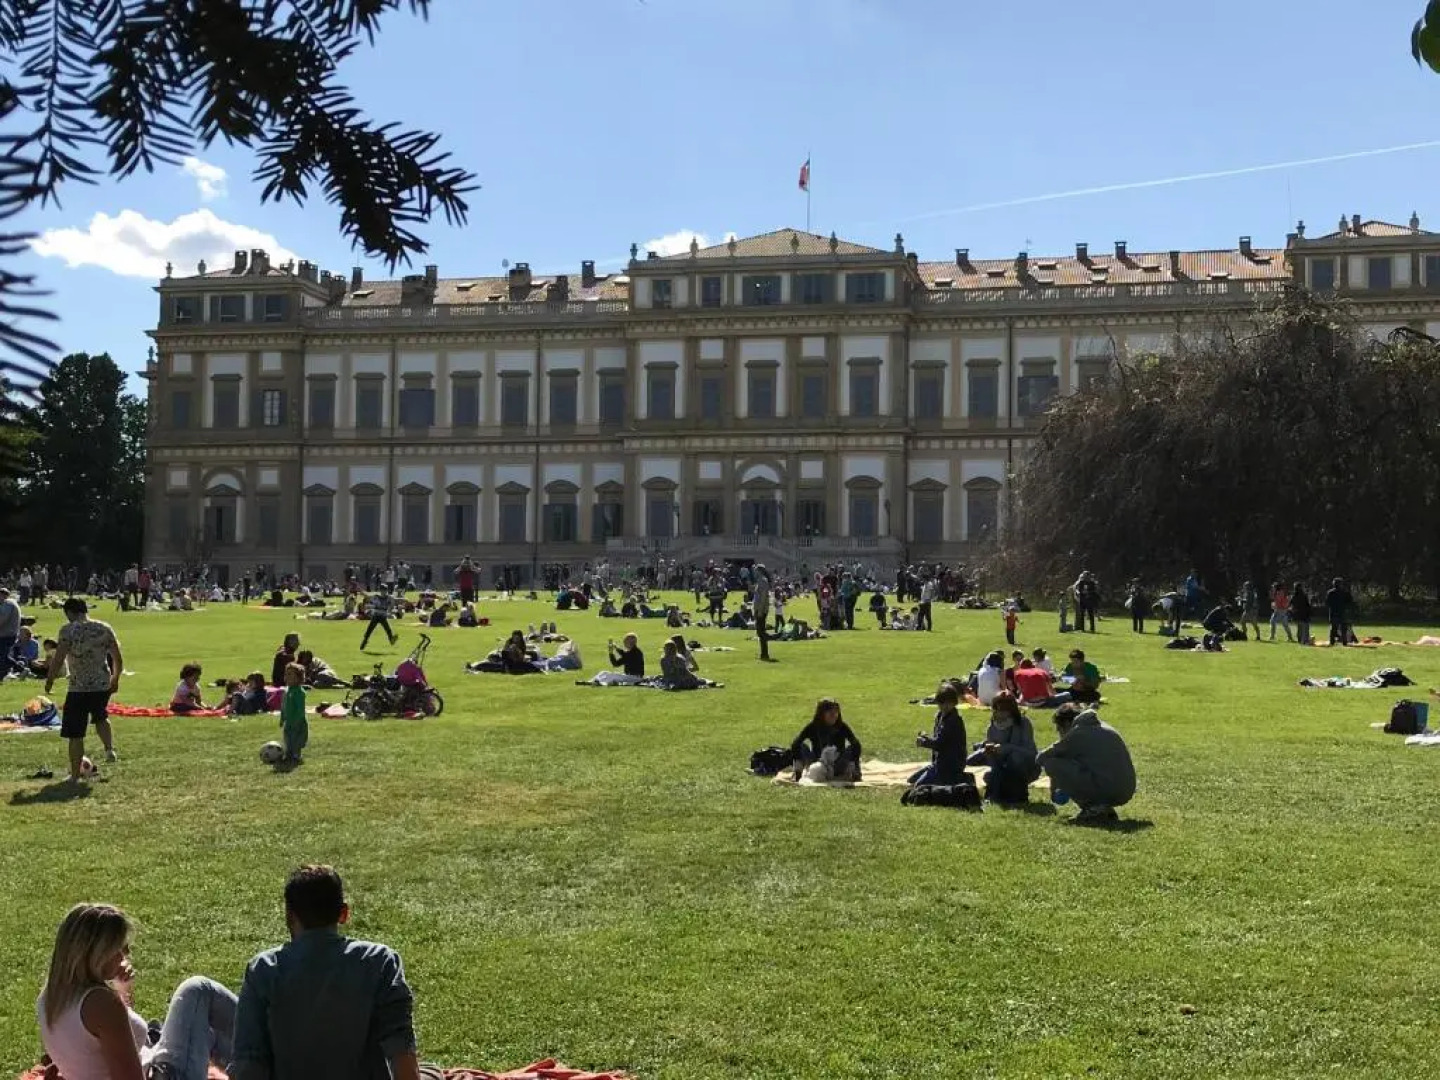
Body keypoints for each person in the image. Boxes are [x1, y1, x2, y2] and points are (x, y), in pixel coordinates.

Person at [229, 865, 420, 1080]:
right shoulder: (380, 962)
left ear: (289, 916)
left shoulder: (264, 970)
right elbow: (401, 1052)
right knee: (431, 1071)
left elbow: (249, 1063)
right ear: (343, 913)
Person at [38, 902, 237, 1080]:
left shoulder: (49, 997)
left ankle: (252, 1061)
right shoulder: (100, 1004)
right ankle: (255, 1049)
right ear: (98, 954)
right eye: (120, 947)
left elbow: (103, 1048)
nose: (126, 954)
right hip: (158, 1073)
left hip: (150, 1061)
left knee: (206, 1030)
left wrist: (122, 990)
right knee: (198, 990)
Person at [47, 599, 122, 784]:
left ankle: (74, 775)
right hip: (101, 684)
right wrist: (115, 679)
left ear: (69, 612)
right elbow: (117, 658)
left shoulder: (68, 630)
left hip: (78, 687)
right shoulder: (104, 628)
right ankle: (109, 749)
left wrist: (50, 680)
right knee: (100, 716)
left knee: (75, 733)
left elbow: (58, 658)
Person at [1036, 704, 1136, 823]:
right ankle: (1103, 808)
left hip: (1109, 789)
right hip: (1125, 790)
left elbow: (1042, 758)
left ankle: (1094, 809)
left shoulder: (1079, 732)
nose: (1060, 734)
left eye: (1059, 729)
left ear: (1066, 723)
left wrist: (1054, 789)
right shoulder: (1101, 726)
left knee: (1051, 764)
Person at [967, 691, 1041, 804]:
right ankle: (995, 796)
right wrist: (990, 752)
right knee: (990, 775)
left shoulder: (1024, 724)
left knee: (1015, 757)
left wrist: (1008, 748)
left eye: (1003, 710)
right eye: (996, 709)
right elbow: (994, 762)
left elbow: (1031, 753)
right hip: (1000, 767)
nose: (999, 713)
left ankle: (1013, 791)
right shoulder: (992, 728)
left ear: (1012, 711)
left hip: (1025, 767)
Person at [789, 698, 862, 782]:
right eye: (830, 713)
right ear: (821, 714)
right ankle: (797, 772)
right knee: (801, 746)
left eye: (836, 712)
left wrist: (854, 764)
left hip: (837, 765)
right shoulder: (813, 726)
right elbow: (796, 744)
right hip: (817, 765)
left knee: (853, 747)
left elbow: (856, 745)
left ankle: (855, 772)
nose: (834, 715)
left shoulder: (842, 726)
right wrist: (800, 764)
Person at [910, 683, 966, 787]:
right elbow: (938, 739)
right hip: (939, 763)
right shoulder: (940, 716)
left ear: (954, 703)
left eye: (949, 703)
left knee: (919, 786)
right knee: (911, 780)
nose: (945, 706)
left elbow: (939, 744)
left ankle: (956, 778)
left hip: (950, 765)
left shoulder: (953, 720)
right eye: (943, 703)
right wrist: (925, 738)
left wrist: (924, 742)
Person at [280, 663, 308, 765]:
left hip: (298, 721)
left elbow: (301, 709)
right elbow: (284, 706)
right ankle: (288, 753)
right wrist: (282, 718)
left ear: (299, 678)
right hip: (288, 721)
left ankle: (296, 755)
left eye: (290, 674)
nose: (287, 677)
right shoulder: (287, 691)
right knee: (287, 739)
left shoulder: (299, 692)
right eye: (286, 674)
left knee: (296, 740)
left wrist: (298, 719)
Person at [752, 564, 773, 661]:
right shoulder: (759, 581)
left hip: (762, 610)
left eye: (756, 570)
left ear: (759, 571)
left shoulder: (763, 581)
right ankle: (763, 653)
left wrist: (760, 610)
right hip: (758, 609)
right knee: (760, 632)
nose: (754, 572)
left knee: (761, 632)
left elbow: (763, 597)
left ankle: (764, 654)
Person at [1325, 577, 1353, 646]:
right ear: (1341, 584)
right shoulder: (1345, 592)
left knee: (1333, 628)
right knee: (1343, 629)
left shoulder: (1330, 593)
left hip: (1333, 612)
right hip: (1342, 612)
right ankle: (1344, 642)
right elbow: (1350, 601)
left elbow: (1327, 603)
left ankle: (1332, 642)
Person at [0, 585, 20, 680]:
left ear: (4, 595)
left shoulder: (7, 604)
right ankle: (21, 668)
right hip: (7, 634)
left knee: (2, 656)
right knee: (4, 656)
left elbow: (2, 620)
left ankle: (2, 675)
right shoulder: (9, 603)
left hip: (7, 635)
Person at [1290, 582, 1313, 646]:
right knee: (1305, 628)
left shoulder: (1294, 596)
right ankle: (1305, 640)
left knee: (1299, 628)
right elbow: (1307, 605)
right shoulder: (1304, 595)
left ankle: (1300, 639)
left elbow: (1291, 604)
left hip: (1297, 614)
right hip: (1304, 614)